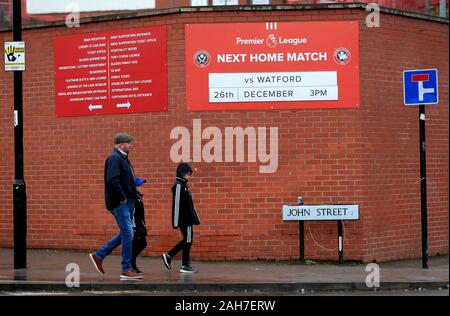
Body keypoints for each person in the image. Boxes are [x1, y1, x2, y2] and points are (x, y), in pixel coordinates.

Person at [89, 133, 143, 280]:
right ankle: (126, 269)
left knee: (128, 232)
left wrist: (134, 190)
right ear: (121, 144)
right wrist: (122, 198)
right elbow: (112, 180)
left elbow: (125, 180)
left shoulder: (123, 159)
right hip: (120, 203)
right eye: (129, 143)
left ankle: (99, 255)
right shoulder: (114, 158)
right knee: (128, 233)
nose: (131, 145)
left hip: (127, 202)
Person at [162, 163, 200, 273]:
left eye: (190, 174)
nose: (189, 176)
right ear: (182, 173)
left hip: (188, 218)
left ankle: (175, 259)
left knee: (187, 240)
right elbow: (176, 205)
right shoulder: (179, 186)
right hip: (184, 219)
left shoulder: (183, 185)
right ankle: (180, 263)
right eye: (188, 174)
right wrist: (175, 222)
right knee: (188, 240)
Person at [131, 177, 148, 274]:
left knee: (141, 244)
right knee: (139, 244)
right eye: (139, 185)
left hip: (140, 226)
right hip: (135, 227)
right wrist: (134, 228)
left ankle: (132, 264)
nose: (141, 187)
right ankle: (131, 264)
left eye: (141, 185)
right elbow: (132, 214)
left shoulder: (138, 197)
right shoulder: (134, 198)